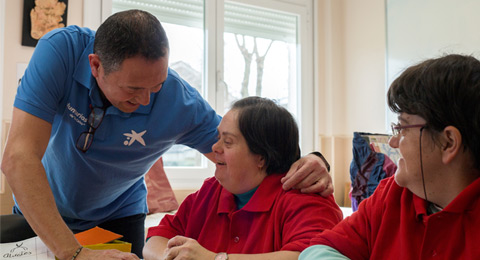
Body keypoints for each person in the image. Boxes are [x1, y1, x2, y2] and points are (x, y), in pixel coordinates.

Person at [1, 9, 332, 260]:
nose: (146, 100)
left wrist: (311, 161)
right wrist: (73, 252)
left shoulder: (179, 102)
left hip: (116, 216)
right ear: (96, 66)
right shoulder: (61, 52)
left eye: (156, 87)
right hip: (42, 207)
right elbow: (18, 157)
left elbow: (249, 145)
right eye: (133, 89)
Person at [299, 54, 480, 259]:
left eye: (402, 128)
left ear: (448, 142)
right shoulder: (392, 195)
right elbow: (319, 249)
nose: (393, 142)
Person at [143, 96, 343, 260]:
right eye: (218, 137)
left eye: (228, 142)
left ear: (261, 158)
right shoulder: (212, 191)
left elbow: (307, 256)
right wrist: (169, 257)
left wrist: (215, 259)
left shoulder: (306, 198)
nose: (215, 148)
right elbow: (158, 237)